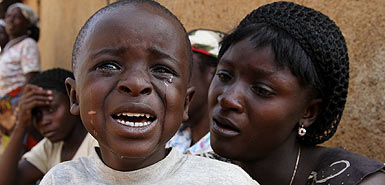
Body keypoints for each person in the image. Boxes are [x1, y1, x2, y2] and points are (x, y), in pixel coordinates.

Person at [39, 1, 257, 184]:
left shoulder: (224, 181)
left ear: (185, 104)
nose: (136, 83)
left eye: (162, 70)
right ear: (75, 96)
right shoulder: (60, 180)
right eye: (109, 65)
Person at [208, 1, 385, 185]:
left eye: (261, 90)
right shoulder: (195, 171)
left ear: (309, 112)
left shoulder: (354, 181)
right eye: (224, 76)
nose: (228, 99)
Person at [0, 68, 98, 185]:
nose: (44, 121)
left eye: (51, 109)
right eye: (37, 114)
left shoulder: (97, 144)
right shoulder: (50, 147)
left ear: (74, 101)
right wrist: (21, 126)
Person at [166, 29, 226, 155]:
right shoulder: (168, 138)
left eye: (179, 72)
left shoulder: (227, 152)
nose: (168, 85)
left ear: (215, 76)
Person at [0, 3, 40, 136]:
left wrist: (19, 108)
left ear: (28, 23)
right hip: (5, 107)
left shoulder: (28, 44)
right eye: (8, 16)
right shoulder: (8, 49)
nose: (10, 20)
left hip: (15, 104)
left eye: (16, 17)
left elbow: (32, 76)